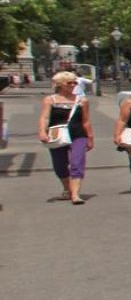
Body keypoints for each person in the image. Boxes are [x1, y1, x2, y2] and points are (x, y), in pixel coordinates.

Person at [37, 70, 92, 205]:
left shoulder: (82, 100)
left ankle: (75, 194)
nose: (73, 85)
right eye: (70, 83)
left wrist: (90, 137)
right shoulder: (50, 100)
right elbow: (44, 117)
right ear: (60, 84)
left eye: (75, 82)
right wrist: (42, 132)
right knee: (59, 165)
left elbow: (86, 120)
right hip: (57, 135)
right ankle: (67, 188)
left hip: (78, 134)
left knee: (77, 162)